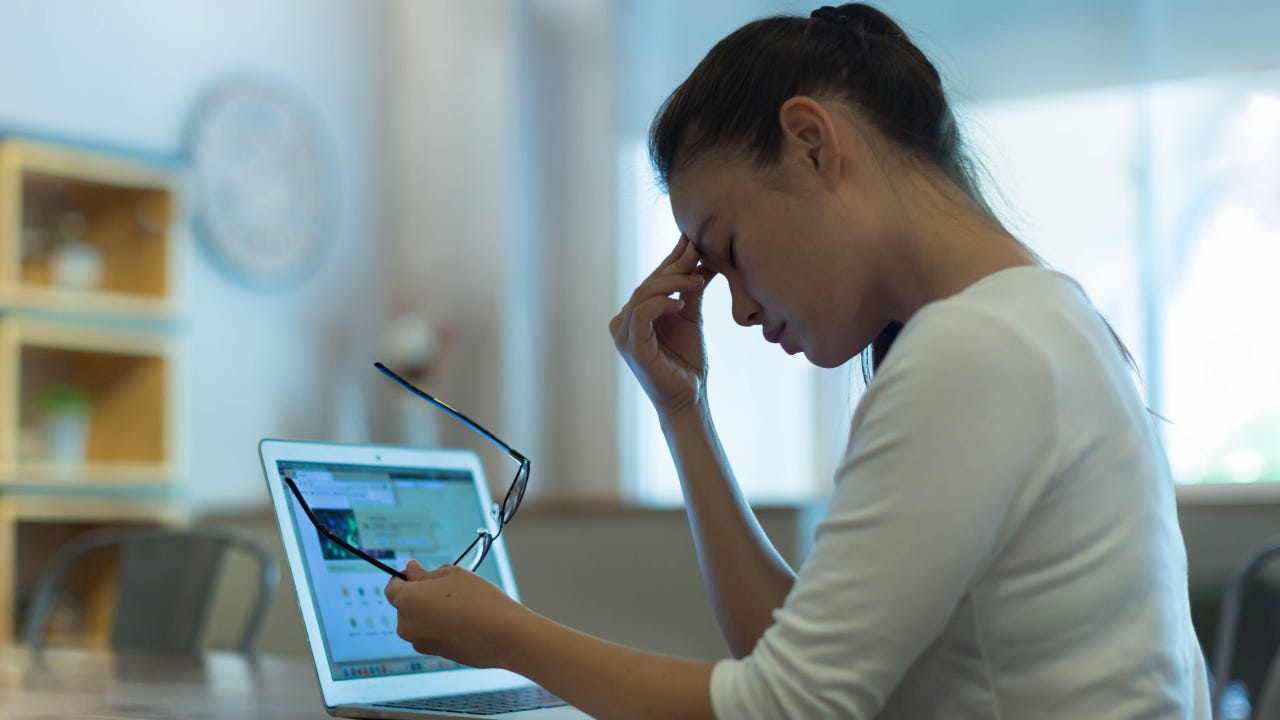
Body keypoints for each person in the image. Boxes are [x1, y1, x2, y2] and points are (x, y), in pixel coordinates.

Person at [384, 4, 1212, 718]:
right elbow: (795, 663)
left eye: (731, 248)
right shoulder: (1045, 320)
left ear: (812, 144)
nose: (739, 307)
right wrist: (684, 411)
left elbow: (784, 709)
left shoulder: (976, 349)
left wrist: (505, 635)